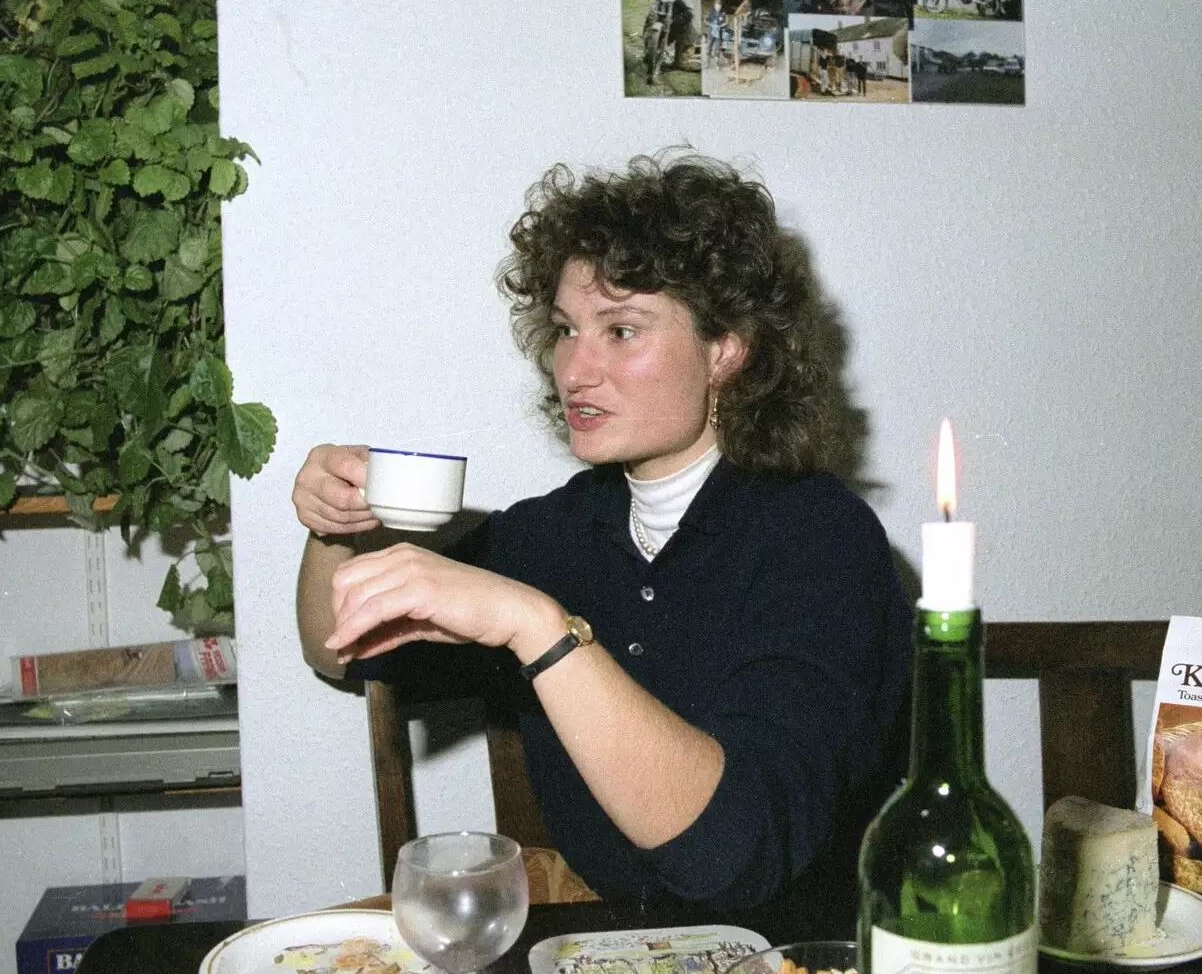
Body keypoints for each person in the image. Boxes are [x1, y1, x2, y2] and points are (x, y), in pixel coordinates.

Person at [293, 152, 912, 932]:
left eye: (621, 330)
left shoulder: (820, 542)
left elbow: (735, 857)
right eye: (565, 331)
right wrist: (333, 528)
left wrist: (535, 628)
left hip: (806, 970)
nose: (576, 370)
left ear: (728, 348)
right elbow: (337, 647)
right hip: (614, 956)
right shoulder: (559, 530)